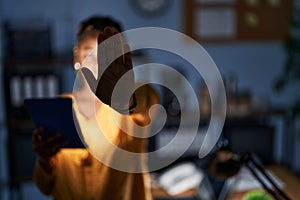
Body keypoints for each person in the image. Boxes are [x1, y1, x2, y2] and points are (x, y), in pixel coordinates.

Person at [32, 16, 159, 200]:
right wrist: (44, 160)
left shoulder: (130, 107)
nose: (95, 60)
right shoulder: (59, 109)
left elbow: (149, 102)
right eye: (88, 51)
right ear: (77, 56)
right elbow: (45, 187)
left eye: (105, 53)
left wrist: (125, 99)